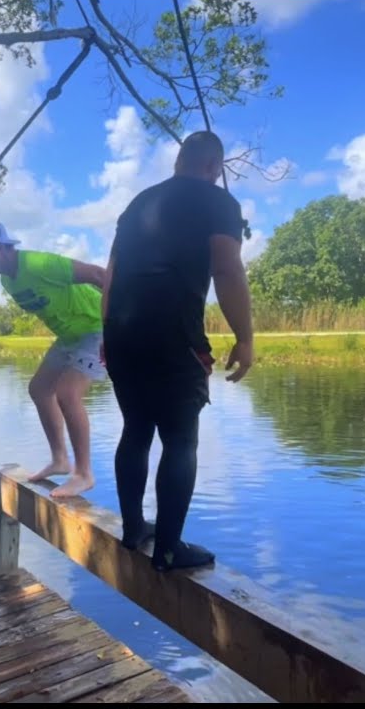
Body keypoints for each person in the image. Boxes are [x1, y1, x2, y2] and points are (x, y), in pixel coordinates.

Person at [101, 130, 255, 572]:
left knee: (135, 429)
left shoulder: (136, 205)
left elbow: (110, 276)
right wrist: (244, 337)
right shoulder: (219, 202)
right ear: (215, 167)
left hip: (121, 335)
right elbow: (227, 269)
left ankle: (134, 530)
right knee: (180, 438)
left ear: (178, 161)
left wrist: (108, 335)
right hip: (174, 338)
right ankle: (169, 549)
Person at [0, 221, 107, 498]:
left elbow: (100, 275)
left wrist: (118, 322)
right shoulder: (8, 280)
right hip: (69, 337)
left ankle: (83, 474)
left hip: (97, 329)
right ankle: (60, 460)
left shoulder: (39, 264)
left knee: (68, 394)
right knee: (40, 389)